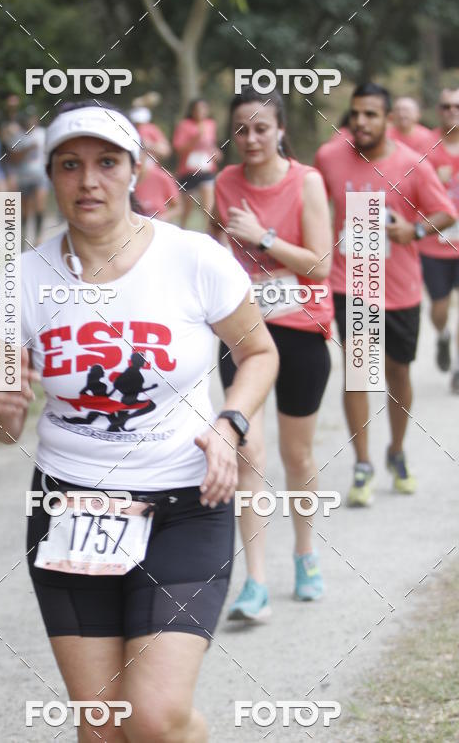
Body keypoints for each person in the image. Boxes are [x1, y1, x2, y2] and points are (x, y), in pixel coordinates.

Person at [0, 100, 278, 743]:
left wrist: (229, 425)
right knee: (104, 724)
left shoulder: (194, 259)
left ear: (135, 171)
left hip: (187, 501)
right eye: (71, 165)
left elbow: (258, 352)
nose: (89, 181)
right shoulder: (18, 282)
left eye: (107, 163)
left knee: (156, 716)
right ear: (50, 175)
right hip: (71, 507)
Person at [211, 87, 333, 616]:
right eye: (242, 129)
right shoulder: (224, 182)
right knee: (248, 453)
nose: (252, 138)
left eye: (261, 128)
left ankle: (306, 553)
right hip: (243, 335)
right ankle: (255, 581)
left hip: (301, 331)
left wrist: (263, 238)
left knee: (296, 454)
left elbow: (321, 265)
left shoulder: (307, 181)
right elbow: (219, 255)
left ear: (280, 130)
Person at [315, 82, 457, 507]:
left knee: (398, 373)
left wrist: (412, 230)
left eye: (371, 114)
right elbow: (311, 203)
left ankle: (396, 450)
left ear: (388, 120)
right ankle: (362, 463)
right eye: (355, 113)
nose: (360, 122)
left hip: (401, 287)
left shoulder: (413, 164)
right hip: (353, 282)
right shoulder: (328, 158)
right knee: (359, 371)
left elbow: (446, 213)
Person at [419, 87, 459, 395]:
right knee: (439, 308)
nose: (452, 111)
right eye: (446, 106)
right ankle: (443, 335)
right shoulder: (424, 146)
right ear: (438, 110)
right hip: (434, 245)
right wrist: (433, 179)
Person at [173, 99, 221, 229]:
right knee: (187, 207)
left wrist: (215, 152)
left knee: (208, 206)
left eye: (204, 109)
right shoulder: (184, 125)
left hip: (206, 169)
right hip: (188, 170)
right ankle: (182, 231)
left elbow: (210, 144)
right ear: (192, 111)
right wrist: (195, 139)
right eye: (198, 109)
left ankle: (208, 234)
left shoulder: (211, 124)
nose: (201, 112)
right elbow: (178, 148)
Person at [9, 110, 49, 246]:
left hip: (41, 176)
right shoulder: (18, 137)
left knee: (39, 205)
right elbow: (13, 159)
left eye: (33, 119)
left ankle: (38, 238)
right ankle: (23, 238)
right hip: (24, 177)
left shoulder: (43, 134)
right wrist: (27, 149)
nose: (30, 122)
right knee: (25, 210)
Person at [134, 147, 181, 222]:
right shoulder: (127, 179)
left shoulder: (163, 177)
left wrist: (164, 217)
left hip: (157, 223)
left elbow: (177, 207)